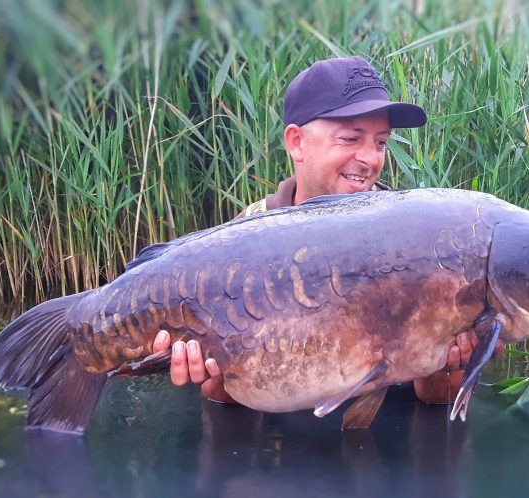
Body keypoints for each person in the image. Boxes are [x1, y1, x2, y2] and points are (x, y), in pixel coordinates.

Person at [151, 56, 503, 406]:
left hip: (385, 439)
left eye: (380, 142)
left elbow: (436, 398)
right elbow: (224, 397)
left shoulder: (418, 239)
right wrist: (213, 376)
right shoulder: (242, 239)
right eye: (351, 139)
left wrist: (452, 363)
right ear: (296, 142)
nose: (371, 158)